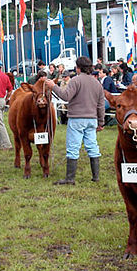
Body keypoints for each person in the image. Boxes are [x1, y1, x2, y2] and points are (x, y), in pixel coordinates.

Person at [45, 56, 105, 185]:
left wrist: (53, 86)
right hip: (92, 119)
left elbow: (65, 96)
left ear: (78, 68)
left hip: (77, 118)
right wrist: (101, 122)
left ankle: (70, 178)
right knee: (92, 146)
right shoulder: (97, 83)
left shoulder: (75, 81)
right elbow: (100, 105)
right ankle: (96, 177)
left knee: (73, 147)